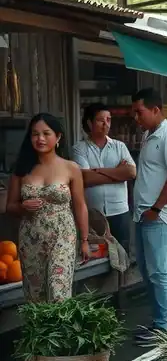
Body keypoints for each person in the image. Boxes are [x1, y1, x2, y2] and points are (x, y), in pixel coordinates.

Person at [6, 114, 89, 303]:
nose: (40, 139)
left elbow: (80, 205)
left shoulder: (71, 168)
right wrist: (22, 207)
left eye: (46, 133)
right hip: (31, 237)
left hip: (63, 234)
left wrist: (84, 240)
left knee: (58, 291)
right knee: (36, 296)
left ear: (58, 137)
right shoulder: (21, 169)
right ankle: (40, 333)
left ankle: (62, 331)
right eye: (35, 134)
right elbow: (10, 207)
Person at [132, 88, 167, 334]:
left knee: (158, 272)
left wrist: (156, 208)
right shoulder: (148, 135)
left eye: (139, 112)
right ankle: (158, 322)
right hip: (143, 215)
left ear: (155, 110)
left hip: (158, 216)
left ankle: (166, 325)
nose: (136, 118)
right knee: (148, 272)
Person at [72, 103, 136, 253]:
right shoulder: (79, 148)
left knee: (122, 254)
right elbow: (85, 178)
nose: (106, 124)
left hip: (119, 211)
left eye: (109, 119)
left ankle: (122, 278)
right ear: (89, 123)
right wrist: (117, 173)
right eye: (101, 120)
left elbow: (131, 173)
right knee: (99, 255)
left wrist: (99, 171)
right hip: (93, 213)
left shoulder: (119, 147)